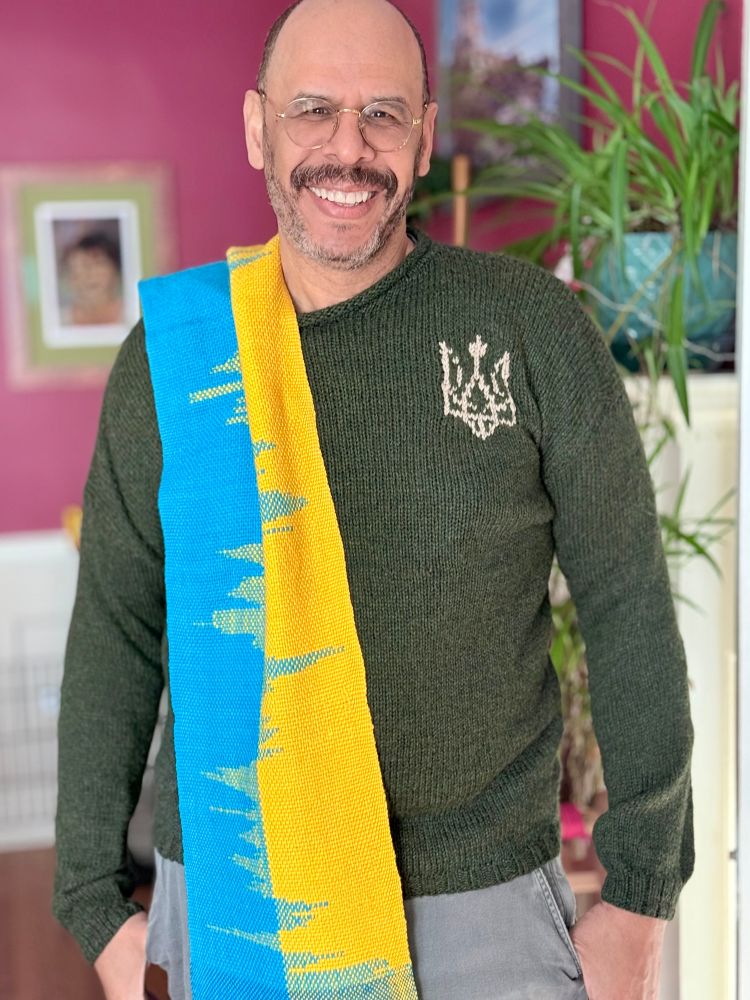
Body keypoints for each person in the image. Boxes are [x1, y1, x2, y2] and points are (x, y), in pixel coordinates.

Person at [53, 1, 694, 998]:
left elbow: (627, 600)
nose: (347, 151)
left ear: (427, 137)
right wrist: (95, 905)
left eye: (383, 116)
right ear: (259, 126)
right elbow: (117, 629)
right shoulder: (177, 359)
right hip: (236, 900)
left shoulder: (527, 327)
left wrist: (643, 896)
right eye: (314, 111)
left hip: (486, 920)